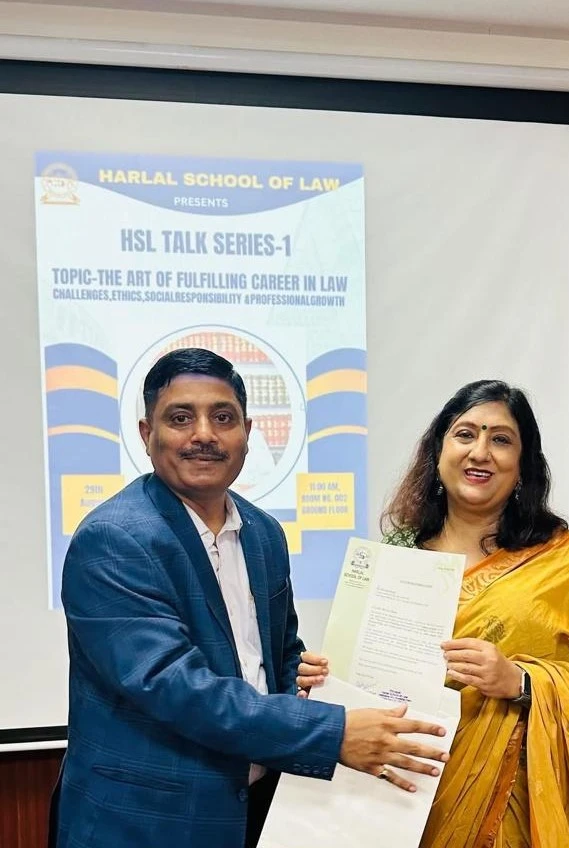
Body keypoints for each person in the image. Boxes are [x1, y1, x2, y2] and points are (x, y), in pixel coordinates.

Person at [51, 348, 449, 848]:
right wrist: (334, 732)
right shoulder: (114, 539)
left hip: (261, 811)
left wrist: (304, 679)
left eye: (223, 418)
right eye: (180, 418)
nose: (204, 434)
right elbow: (178, 687)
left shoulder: (263, 533)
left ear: (247, 432)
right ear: (146, 434)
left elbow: (278, 652)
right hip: (147, 823)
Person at [298, 380, 569, 848]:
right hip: (402, 791)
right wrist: (323, 681)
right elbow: (365, 678)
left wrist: (522, 682)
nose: (480, 452)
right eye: (464, 434)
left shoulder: (561, 561)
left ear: (523, 465)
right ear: (438, 453)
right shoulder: (394, 557)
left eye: (500, 439)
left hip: (512, 801)